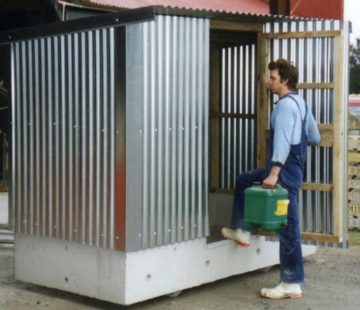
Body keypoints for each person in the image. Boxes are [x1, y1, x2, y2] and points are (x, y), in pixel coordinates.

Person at [221, 59, 320, 299]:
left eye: (273, 78)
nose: (269, 81)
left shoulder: (285, 106)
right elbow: (314, 137)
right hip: (293, 167)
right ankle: (242, 229)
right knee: (245, 180)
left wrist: (275, 172)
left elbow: (283, 141)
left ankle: (291, 282)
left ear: (285, 80)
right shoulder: (301, 103)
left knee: (288, 227)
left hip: (283, 171)